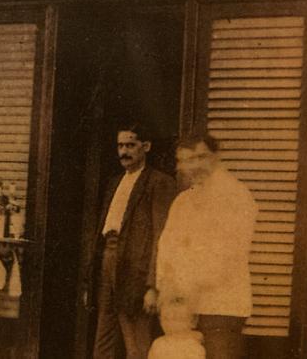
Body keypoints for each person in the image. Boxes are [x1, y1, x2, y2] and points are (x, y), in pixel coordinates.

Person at [156, 134, 258, 359]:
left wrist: (184, 282)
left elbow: (226, 255)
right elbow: (167, 248)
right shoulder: (183, 201)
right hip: (182, 310)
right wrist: (168, 288)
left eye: (199, 157)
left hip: (220, 306)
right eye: (184, 160)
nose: (191, 166)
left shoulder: (236, 196)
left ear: (216, 156)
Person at [92, 125, 178, 359]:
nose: (124, 152)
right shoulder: (114, 182)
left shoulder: (159, 182)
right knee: (104, 334)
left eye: (130, 145)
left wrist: (153, 285)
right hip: (109, 262)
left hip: (136, 270)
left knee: (136, 342)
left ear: (146, 147)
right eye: (120, 146)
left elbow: (162, 235)